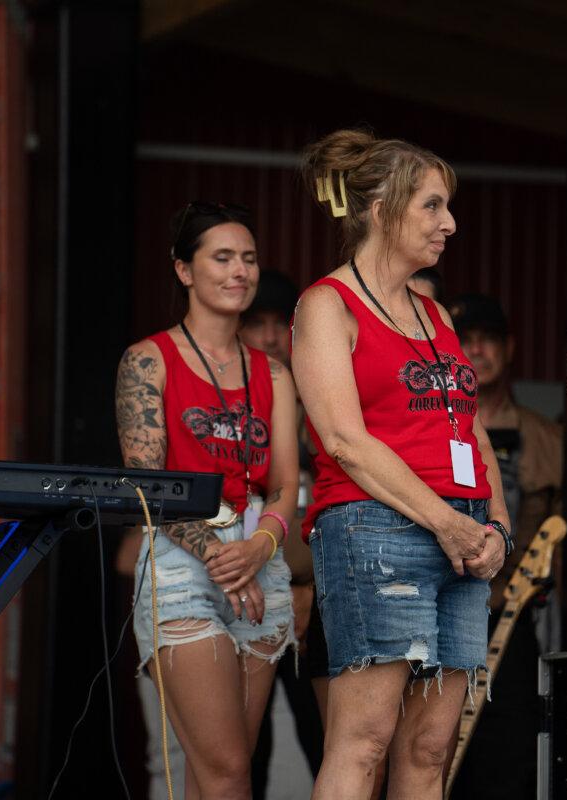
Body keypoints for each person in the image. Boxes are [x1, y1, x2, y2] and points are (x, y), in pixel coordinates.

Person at [292, 129, 509, 800]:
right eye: (433, 206)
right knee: (364, 742)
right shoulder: (327, 304)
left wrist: (496, 523)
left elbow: (470, 429)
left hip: (464, 536)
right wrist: (446, 522)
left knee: (430, 747)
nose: (449, 223)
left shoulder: (435, 311)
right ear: (384, 205)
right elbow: (343, 441)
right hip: (377, 531)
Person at [115, 201, 299, 800]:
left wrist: (260, 545)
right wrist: (222, 557)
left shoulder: (273, 373)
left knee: (217, 770)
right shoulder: (148, 360)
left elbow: (284, 485)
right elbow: (150, 483)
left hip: (257, 552)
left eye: (248, 258)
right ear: (184, 270)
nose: (239, 271)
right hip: (180, 552)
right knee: (226, 770)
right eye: (222, 257)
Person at [446, 293, 563, 798]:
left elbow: (565, 524)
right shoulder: (432, 428)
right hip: (441, 614)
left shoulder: (543, 436)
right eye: (464, 342)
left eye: (487, 341)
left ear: (509, 347)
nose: (477, 351)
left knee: (509, 748)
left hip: (509, 617)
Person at [240, 269, 324, 796]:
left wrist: (313, 586)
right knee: (242, 756)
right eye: (258, 324)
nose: (271, 337)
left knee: (329, 747)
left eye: (281, 325)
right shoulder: (223, 405)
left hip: (312, 606)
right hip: (240, 598)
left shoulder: (324, 400)